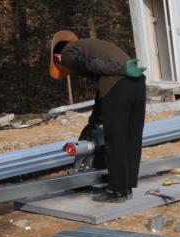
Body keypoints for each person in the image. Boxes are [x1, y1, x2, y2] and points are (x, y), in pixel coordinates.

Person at [47, 30, 146, 203]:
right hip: (138, 84)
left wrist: (122, 69)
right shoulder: (90, 45)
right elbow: (102, 91)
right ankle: (127, 187)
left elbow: (92, 65)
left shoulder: (67, 53)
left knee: (115, 140)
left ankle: (117, 191)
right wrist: (94, 118)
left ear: (56, 57)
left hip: (118, 87)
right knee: (132, 137)